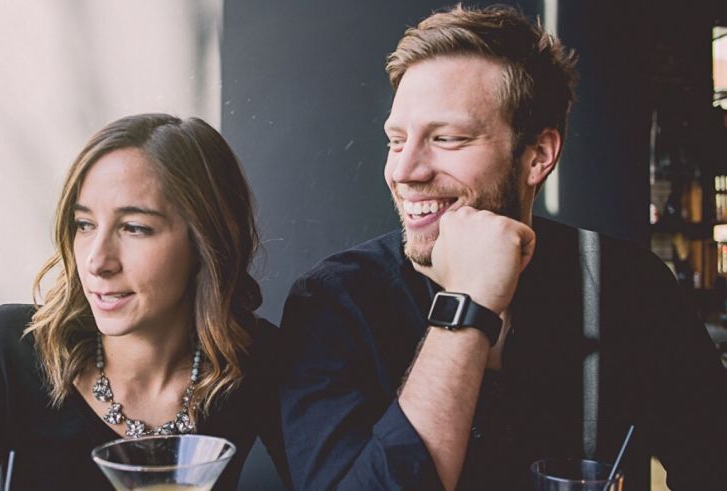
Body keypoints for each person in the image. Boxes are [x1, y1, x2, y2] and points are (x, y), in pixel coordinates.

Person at [279, 5, 727, 491]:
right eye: (396, 140)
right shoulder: (334, 303)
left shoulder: (629, 286)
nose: (405, 171)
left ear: (537, 156)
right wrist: (468, 303)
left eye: (447, 138)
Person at [0, 113, 285, 490]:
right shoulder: (3, 349)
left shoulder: (257, 362)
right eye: (84, 225)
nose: (97, 261)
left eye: (135, 228)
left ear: (206, 242)